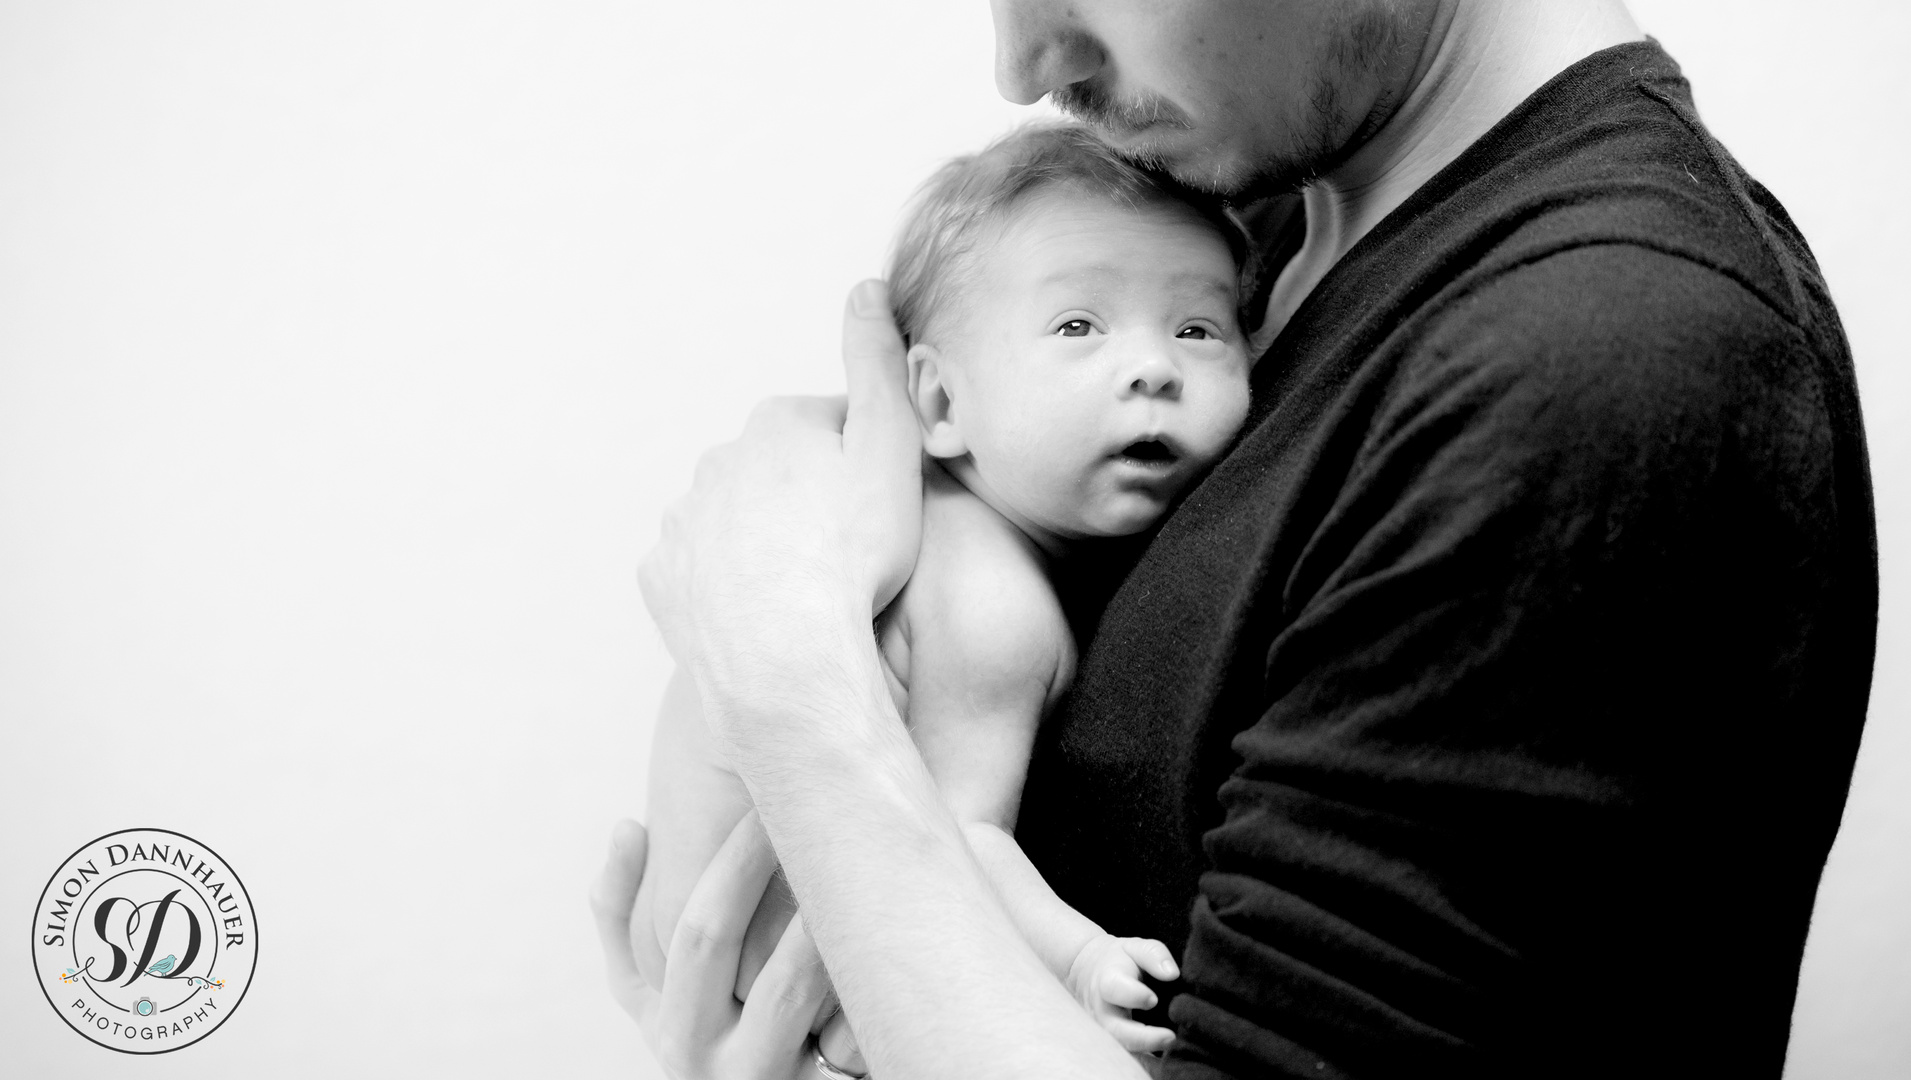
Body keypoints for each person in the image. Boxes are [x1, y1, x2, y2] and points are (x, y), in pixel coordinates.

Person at [592, 1, 1877, 1077]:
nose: (1024, 63)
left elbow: (789, 640)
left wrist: (794, 696)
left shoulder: (1594, 362)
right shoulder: (1248, 236)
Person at [628, 122, 1255, 1064]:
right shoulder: (993, 598)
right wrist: (1080, 963)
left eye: (1197, 329)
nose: (1153, 367)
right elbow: (955, 839)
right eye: (1077, 326)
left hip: (701, 961)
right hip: (807, 991)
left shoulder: (928, 517)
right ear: (938, 406)